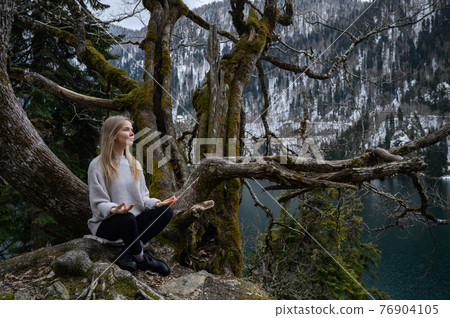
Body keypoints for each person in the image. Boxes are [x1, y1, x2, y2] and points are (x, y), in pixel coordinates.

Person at [87, 114, 178, 276]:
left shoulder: (134, 164)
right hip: (109, 224)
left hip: (133, 224)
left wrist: (157, 204)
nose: (131, 133)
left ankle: (127, 253)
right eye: (126, 129)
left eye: (132, 130)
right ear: (113, 134)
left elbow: (143, 198)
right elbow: (98, 203)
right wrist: (114, 209)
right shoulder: (97, 165)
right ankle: (142, 259)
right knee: (127, 218)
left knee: (166, 212)